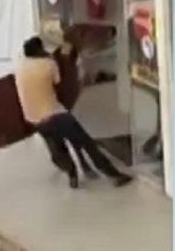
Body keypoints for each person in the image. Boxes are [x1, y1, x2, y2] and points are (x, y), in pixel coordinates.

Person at [15, 36, 132, 189]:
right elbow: (57, 81)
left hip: (34, 119)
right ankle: (113, 175)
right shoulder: (48, 64)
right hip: (55, 114)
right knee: (87, 144)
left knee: (58, 149)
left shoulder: (20, 66)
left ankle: (72, 175)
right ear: (39, 50)